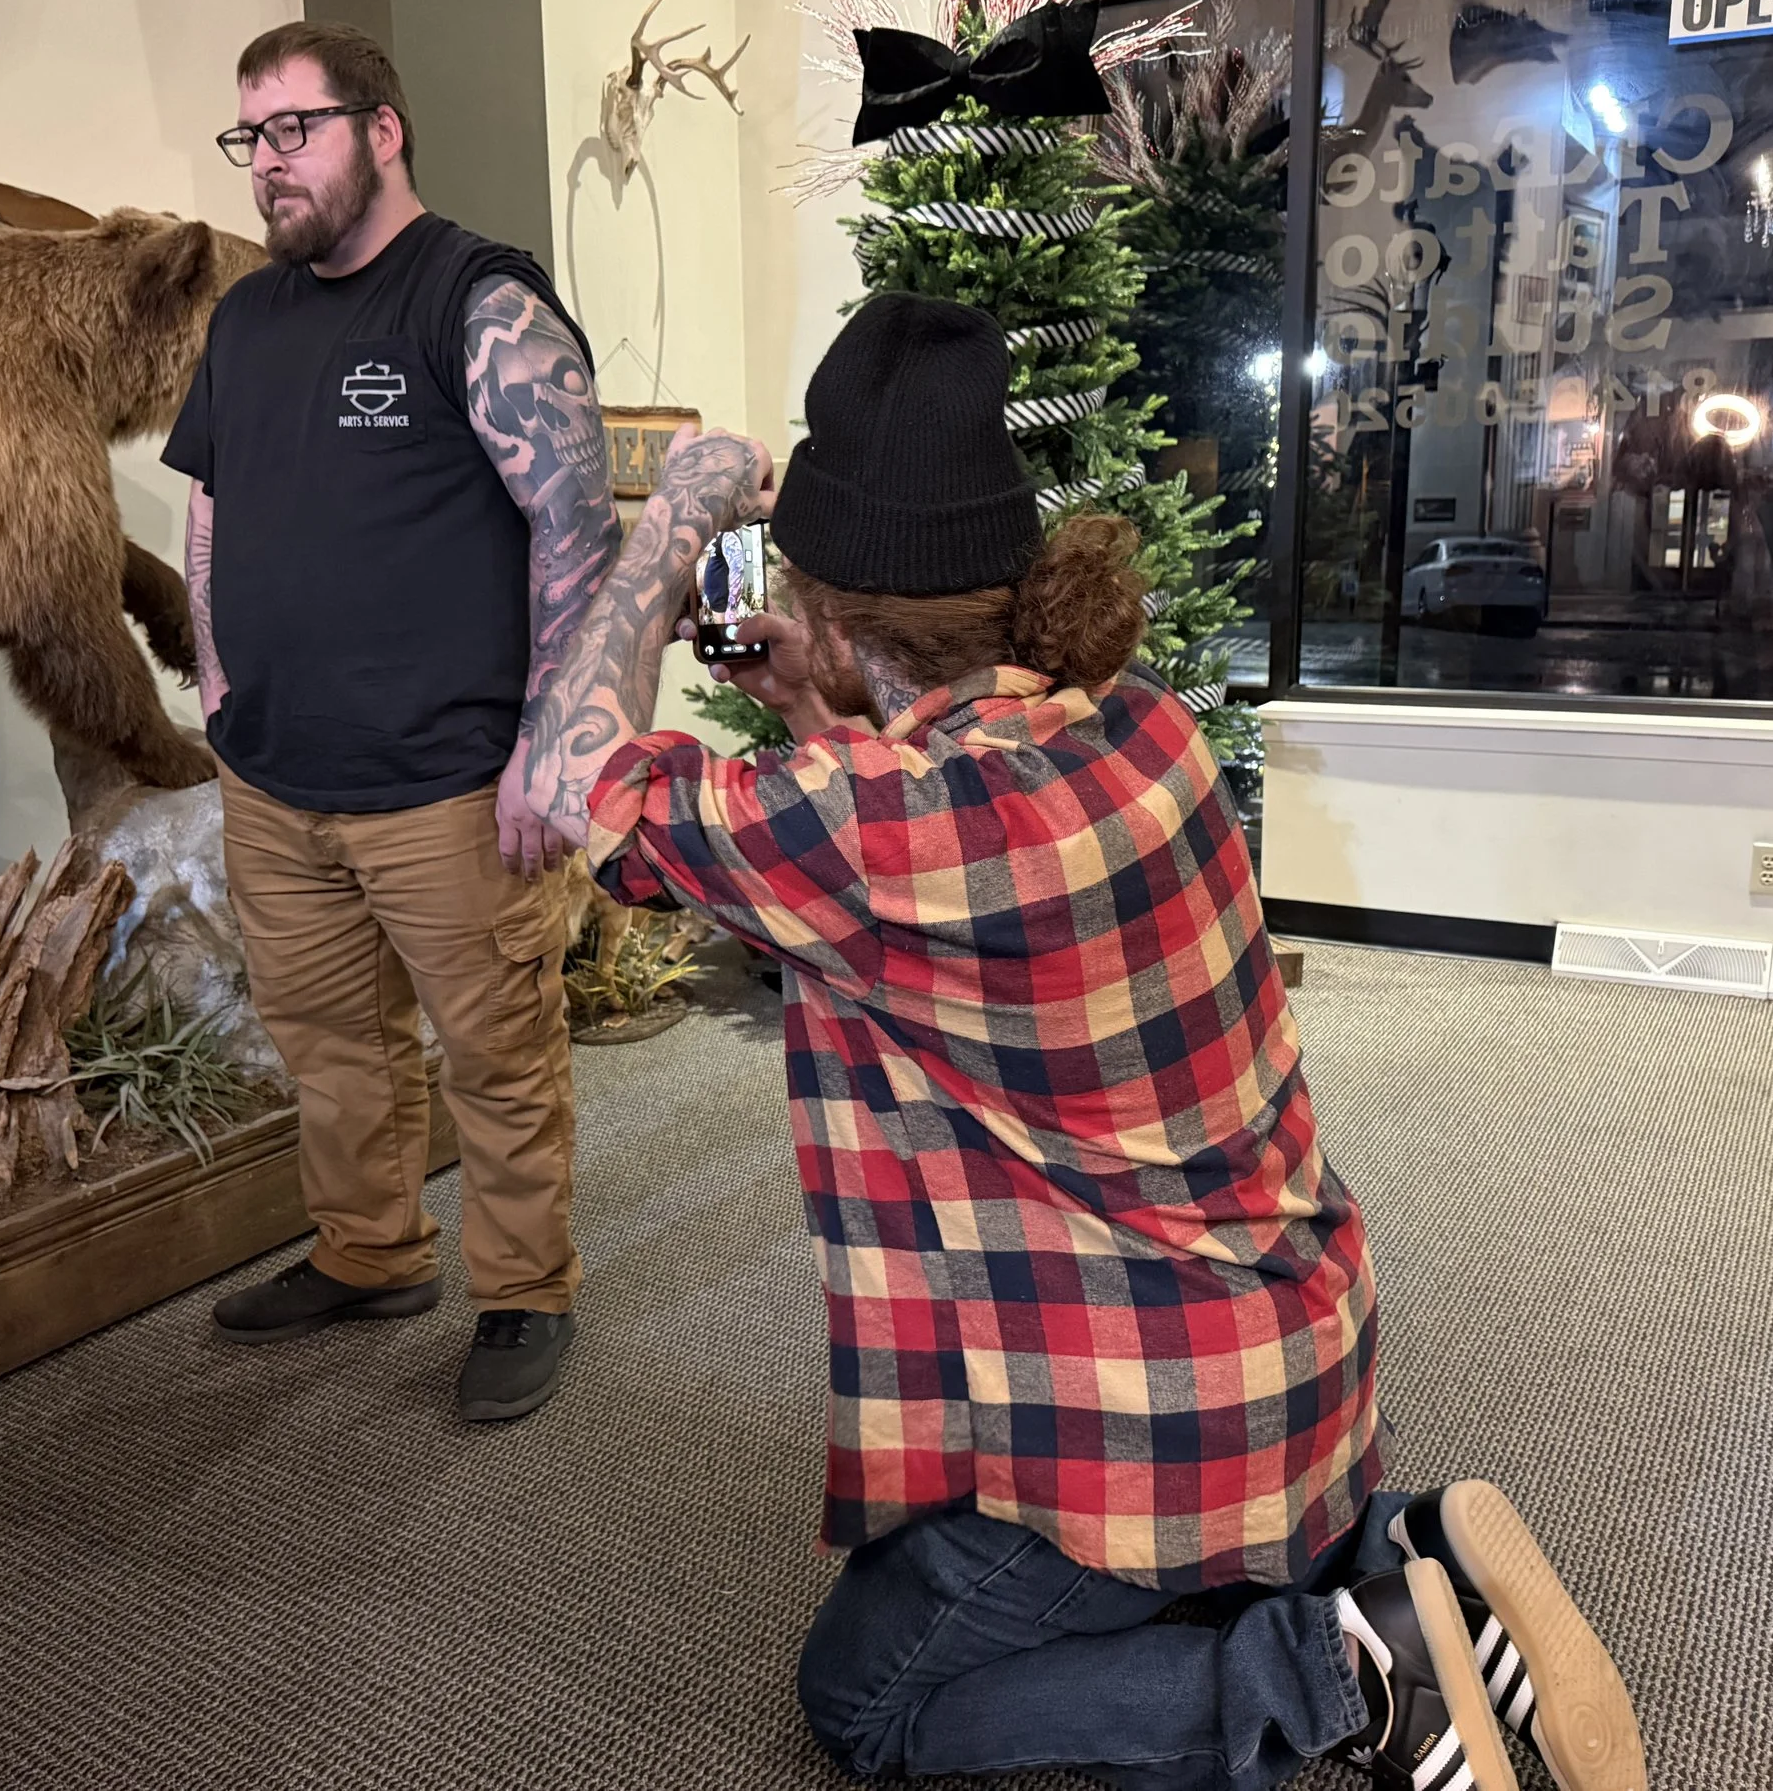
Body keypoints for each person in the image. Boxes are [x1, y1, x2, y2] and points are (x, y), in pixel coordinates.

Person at [513, 293, 1647, 1789]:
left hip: (1158, 1423)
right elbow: (934, 827)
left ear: (837, 612)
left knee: (861, 1699)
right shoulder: (1142, 728)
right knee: (1145, 1550)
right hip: (1305, 1350)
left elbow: (558, 776)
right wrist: (828, 702)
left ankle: (1339, 1662)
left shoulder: (866, 828)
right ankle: (1405, 1541)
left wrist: (677, 523)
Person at [162, 21, 616, 1421]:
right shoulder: (248, 318)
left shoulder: (477, 302)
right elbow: (211, 506)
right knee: (327, 1041)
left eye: (294, 130)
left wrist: (552, 742)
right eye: (252, 139)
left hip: (444, 780)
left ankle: (524, 1288)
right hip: (276, 766)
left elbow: (575, 528)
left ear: (382, 129)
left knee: (497, 1048)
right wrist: (217, 668)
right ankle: (370, 1251)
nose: (268, 167)